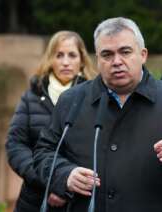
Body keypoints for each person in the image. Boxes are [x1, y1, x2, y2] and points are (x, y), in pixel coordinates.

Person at [33, 17, 162, 212]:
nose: (117, 62)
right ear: (97, 60)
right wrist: (65, 175)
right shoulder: (72, 101)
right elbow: (43, 153)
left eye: (125, 52)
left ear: (143, 54)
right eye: (107, 54)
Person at [6, 30, 97, 211]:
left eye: (72, 55)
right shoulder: (32, 96)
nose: (65, 62)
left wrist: (68, 186)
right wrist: (52, 182)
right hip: (35, 196)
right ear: (50, 60)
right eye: (59, 55)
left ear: (81, 61)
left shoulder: (94, 97)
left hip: (81, 199)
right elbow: (16, 146)